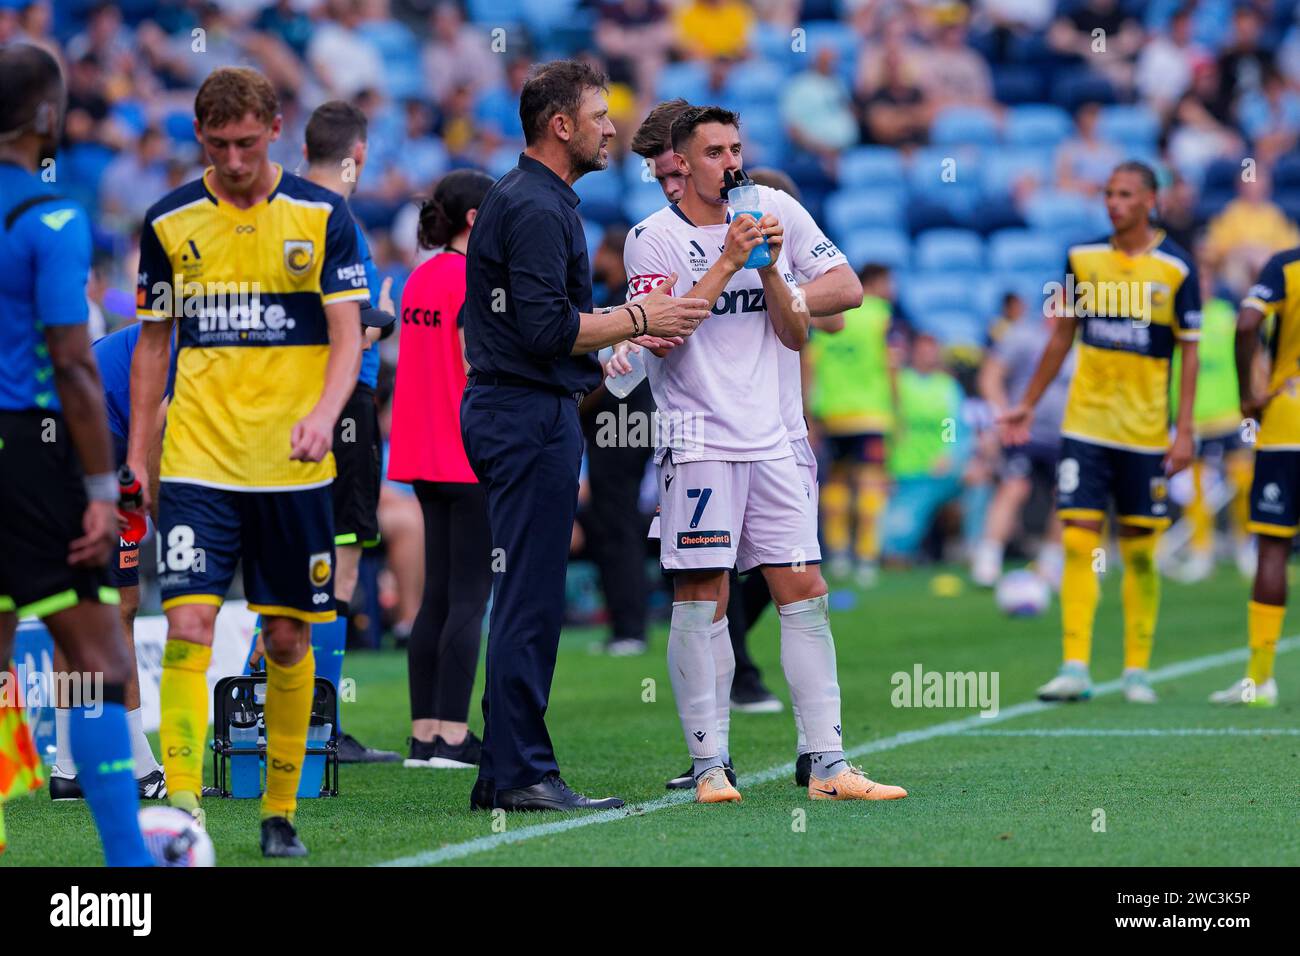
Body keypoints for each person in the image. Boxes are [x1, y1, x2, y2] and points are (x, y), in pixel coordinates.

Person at [623, 104, 906, 804]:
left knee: (804, 593)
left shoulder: (773, 207)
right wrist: (730, 261)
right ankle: (710, 765)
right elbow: (665, 333)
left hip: (777, 440)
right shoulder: (650, 239)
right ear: (681, 165)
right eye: (715, 151)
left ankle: (828, 763)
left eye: (736, 148)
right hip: (699, 442)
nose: (731, 162)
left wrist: (775, 272)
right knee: (702, 595)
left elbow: (843, 293)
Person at [128, 66, 368, 857]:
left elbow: (346, 334)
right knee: (190, 622)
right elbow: (152, 348)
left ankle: (278, 814)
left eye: (246, 142)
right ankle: (186, 803)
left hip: (293, 467)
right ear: (200, 136)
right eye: (217, 144)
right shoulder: (167, 223)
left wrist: (325, 416)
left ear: (274, 129)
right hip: (198, 460)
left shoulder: (322, 215)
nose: (233, 160)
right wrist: (139, 458)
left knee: (289, 639)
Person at [459, 60, 708, 812]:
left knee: (525, 593)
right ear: (561, 125)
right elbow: (546, 329)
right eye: (601, 115)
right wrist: (640, 320)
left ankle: (504, 766)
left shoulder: (535, 198)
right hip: (525, 413)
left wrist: (618, 335)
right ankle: (520, 773)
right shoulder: (538, 207)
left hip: (521, 409)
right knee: (531, 598)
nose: (612, 128)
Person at [0, 43, 152, 866]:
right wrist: (103, 485)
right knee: (95, 657)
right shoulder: (52, 217)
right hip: (30, 444)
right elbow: (73, 362)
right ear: (49, 116)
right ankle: (129, 872)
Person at [999, 161, 1200, 704]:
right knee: (1079, 542)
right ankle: (1075, 666)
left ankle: (1136, 670)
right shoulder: (1081, 259)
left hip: (1144, 433)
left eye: (1125, 194)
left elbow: (1191, 352)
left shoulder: (1177, 268)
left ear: (1150, 199)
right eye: (1109, 193)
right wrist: (1026, 405)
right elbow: (1061, 336)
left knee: (1137, 552)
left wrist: (1183, 431)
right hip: (1085, 426)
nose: (1113, 203)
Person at [267, 98, 398, 764]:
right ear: (360, 153)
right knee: (340, 554)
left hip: (296, 401)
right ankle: (321, 717)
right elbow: (334, 319)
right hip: (341, 403)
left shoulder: (283, 208)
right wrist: (382, 317)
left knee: (292, 555)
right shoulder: (334, 215)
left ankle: (293, 711)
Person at [388, 169, 495, 769]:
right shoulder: (472, 277)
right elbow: (473, 363)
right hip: (466, 449)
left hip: (421, 450)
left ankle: (425, 733)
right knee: (469, 596)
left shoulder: (420, 277)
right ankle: (452, 733)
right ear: (476, 220)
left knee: (437, 594)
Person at [49, 322, 172, 801]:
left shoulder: (181, 332)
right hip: (92, 450)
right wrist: (176, 538)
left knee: (81, 605)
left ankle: (67, 766)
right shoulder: (197, 342)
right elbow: (159, 437)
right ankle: (138, 767)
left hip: (83, 445)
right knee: (116, 606)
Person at [1209, 246, 1300, 707]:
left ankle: (1260, 679)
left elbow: (1246, 324)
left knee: (1273, 547)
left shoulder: (1285, 266)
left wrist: (1249, 394)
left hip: (1288, 422)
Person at [972, 296, 1074, 587]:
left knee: (1065, 495)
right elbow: (990, 375)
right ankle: (988, 558)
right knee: (1014, 486)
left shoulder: (1082, 344)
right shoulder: (1024, 336)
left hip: (1065, 434)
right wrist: (1002, 415)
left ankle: (1051, 562)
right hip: (1024, 432)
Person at [809, 263, 898, 586]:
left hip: (832, 411)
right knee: (871, 485)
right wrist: (897, 408)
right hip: (871, 412)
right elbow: (891, 364)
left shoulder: (825, 312)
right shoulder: (880, 315)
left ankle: (839, 554)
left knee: (835, 484)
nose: (893, 289)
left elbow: (810, 362)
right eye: (888, 282)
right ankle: (867, 557)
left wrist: (809, 412)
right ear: (874, 281)